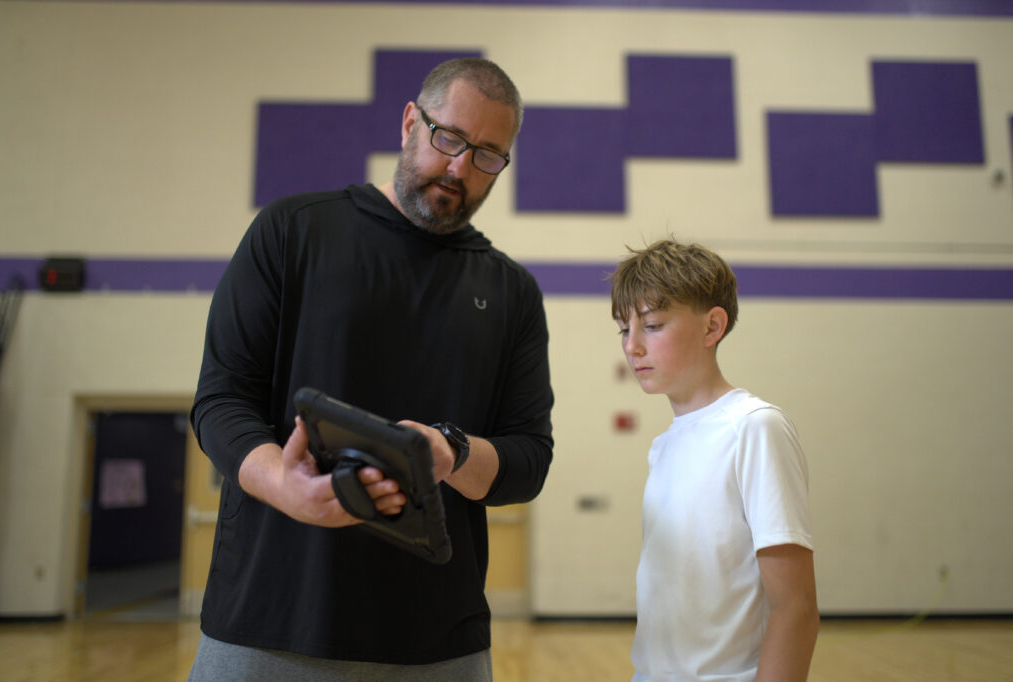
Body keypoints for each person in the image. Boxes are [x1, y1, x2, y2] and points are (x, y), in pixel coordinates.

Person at [187, 58, 553, 681]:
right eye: (449, 139)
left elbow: (528, 460)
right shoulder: (292, 232)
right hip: (270, 625)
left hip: (439, 642)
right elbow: (221, 401)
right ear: (411, 121)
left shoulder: (512, 291)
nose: (462, 167)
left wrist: (453, 454)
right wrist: (285, 486)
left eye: (489, 155)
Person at [610, 238, 819, 681]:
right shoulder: (664, 446)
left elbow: (795, 607)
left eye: (652, 325)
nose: (632, 346)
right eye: (624, 329)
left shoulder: (754, 427)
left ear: (712, 327)